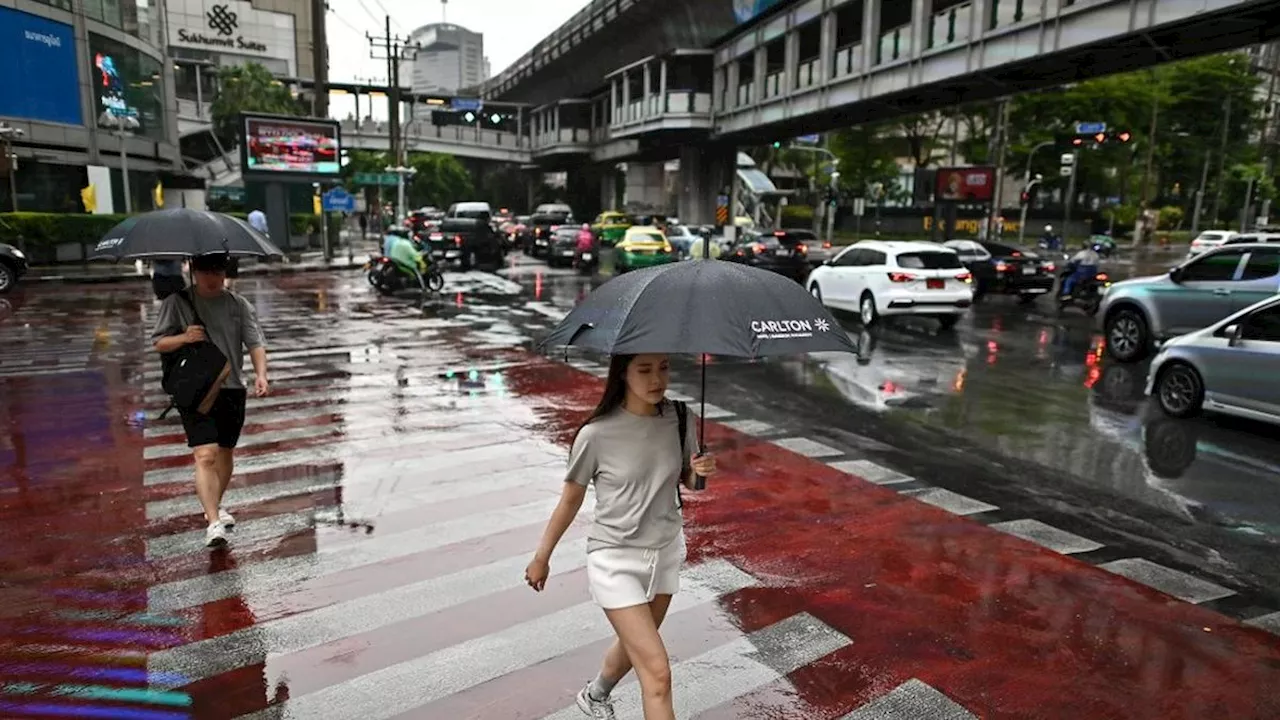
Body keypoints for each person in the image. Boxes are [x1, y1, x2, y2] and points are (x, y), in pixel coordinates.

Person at [525, 353, 717, 720]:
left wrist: (700, 471)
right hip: (615, 559)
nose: (656, 379)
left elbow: (689, 482)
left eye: (663, 367)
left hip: (665, 551)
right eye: (644, 370)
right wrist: (541, 556)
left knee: (635, 646)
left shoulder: (680, 418)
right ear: (622, 373)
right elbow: (570, 499)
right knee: (657, 671)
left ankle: (596, 694)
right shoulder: (596, 434)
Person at [151, 252, 269, 548]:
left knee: (226, 454)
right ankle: (214, 521)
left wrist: (261, 374)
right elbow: (159, 343)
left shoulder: (238, 304)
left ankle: (213, 506)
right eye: (206, 272)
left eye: (218, 271)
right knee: (206, 455)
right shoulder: (176, 303)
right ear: (194, 270)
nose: (213, 278)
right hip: (196, 391)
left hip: (231, 388)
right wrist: (184, 338)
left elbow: (254, 342)